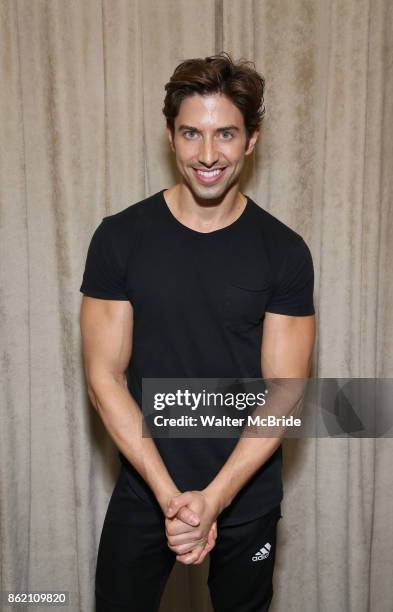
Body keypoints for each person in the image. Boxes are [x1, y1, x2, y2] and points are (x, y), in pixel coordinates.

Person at [80, 52, 316, 612]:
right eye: (192, 133)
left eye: (225, 134)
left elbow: (285, 391)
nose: (207, 155)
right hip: (146, 485)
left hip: (245, 491)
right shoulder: (120, 238)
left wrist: (215, 499)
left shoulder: (283, 251)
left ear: (251, 140)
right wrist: (168, 497)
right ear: (171, 137)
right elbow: (103, 377)